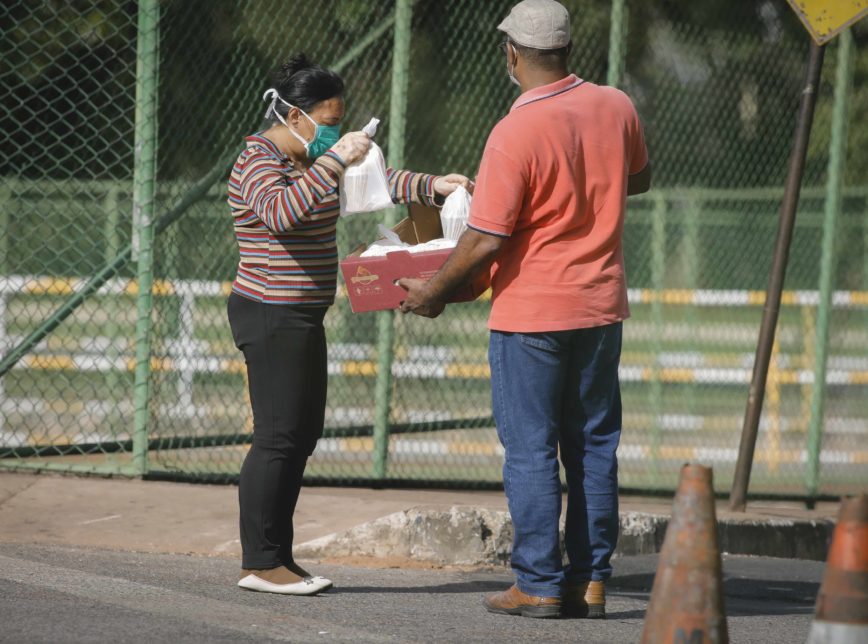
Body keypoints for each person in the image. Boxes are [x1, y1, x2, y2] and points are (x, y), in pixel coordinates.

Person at [398, 0, 651, 619]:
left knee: (531, 449)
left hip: (532, 315)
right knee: (593, 446)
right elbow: (638, 179)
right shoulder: (617, 106)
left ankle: (537, 581)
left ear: (511, 54)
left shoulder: (515, 130)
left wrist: (432, 291)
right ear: (567, 49)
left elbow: (486, 238)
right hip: (599, 309)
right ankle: (590, 580)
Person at [227, 53, 472, 596]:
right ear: (295, 116)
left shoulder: (314, 162)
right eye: (329, 122)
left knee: (301, 434)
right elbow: (281, 213)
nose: (336, 132)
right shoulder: (258, 160)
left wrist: (435, 186)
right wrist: (335, 157)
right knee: (277, 436)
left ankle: (278, 558)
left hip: (302, 314)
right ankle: (261, 562)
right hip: (269, 312)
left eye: (340, 123)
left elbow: (376, 181)